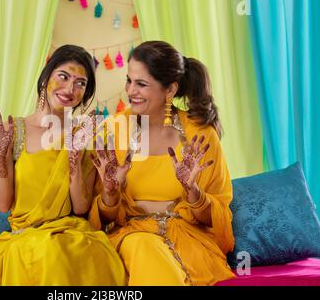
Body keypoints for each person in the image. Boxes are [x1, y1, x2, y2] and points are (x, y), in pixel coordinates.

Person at [89, 41, 236, 286]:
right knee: (142, 245)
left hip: (188, 241)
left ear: (169, 90)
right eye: (129, 80)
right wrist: (110, 193)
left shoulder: (200, 134)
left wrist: (194, 193)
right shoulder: (113, 130)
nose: (130, 91)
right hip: (132, 236)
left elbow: (219, 215)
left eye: (141, 84)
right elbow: (100, 219)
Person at [0, 45, 126, 286]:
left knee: (98, 252)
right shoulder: (14, 131)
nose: (70, 89)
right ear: (46, 76)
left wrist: (75, 163)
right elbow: (3, 204)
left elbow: (80, 207)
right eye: (64, 76)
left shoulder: (82, 135)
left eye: (81, 83)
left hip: (72, 232)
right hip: (27, 236)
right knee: (50, 251)